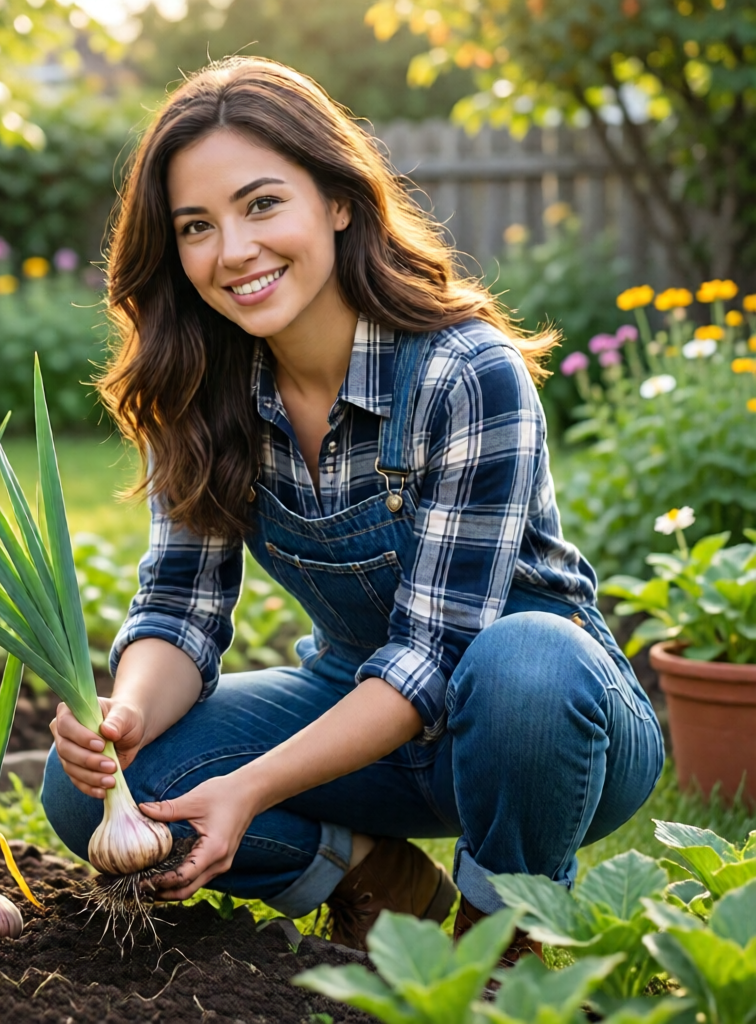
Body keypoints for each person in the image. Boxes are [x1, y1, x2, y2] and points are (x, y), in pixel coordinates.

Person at [41, 57, 664, 959]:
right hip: (357, 711)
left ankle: (501, 946)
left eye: (262, 205)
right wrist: (124, 716)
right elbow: (179, 604)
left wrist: (250, 788)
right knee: (92, 792)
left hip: (546, 727)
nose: (235, 251)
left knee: (525, 659)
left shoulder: (463, 371)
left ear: (338, 199)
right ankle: (373, 875)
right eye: (196, 227)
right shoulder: (203, 389)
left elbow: (435, 656)